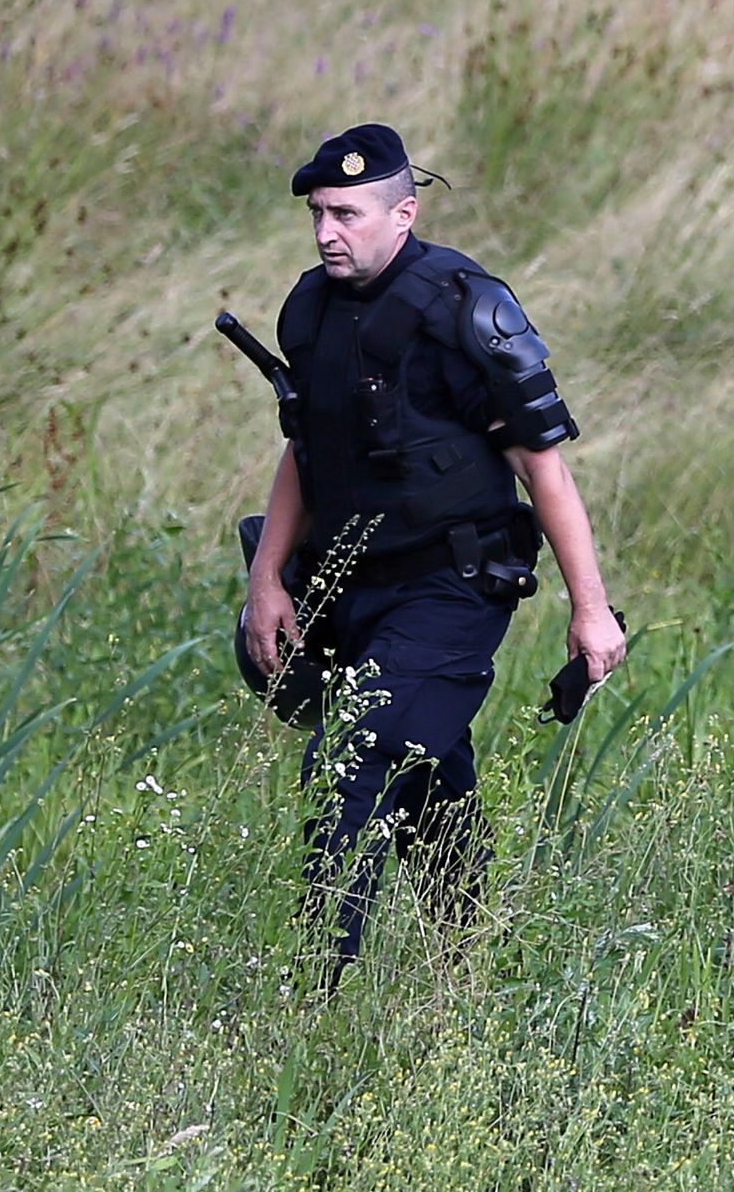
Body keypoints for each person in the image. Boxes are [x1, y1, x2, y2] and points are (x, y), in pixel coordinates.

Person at [240, 124, 625, 963]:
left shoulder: (465, 310)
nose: (325, 232)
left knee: (354, 754)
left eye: (345, 213)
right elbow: (306, 450)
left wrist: (590, 611)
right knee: (427, 770)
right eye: (316, 213)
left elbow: (544, 469)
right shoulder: (310, 309)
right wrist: (267, 579)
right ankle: (465, 968)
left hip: (453, 586)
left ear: (403, 213)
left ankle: (314, 993)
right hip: (349, 590)